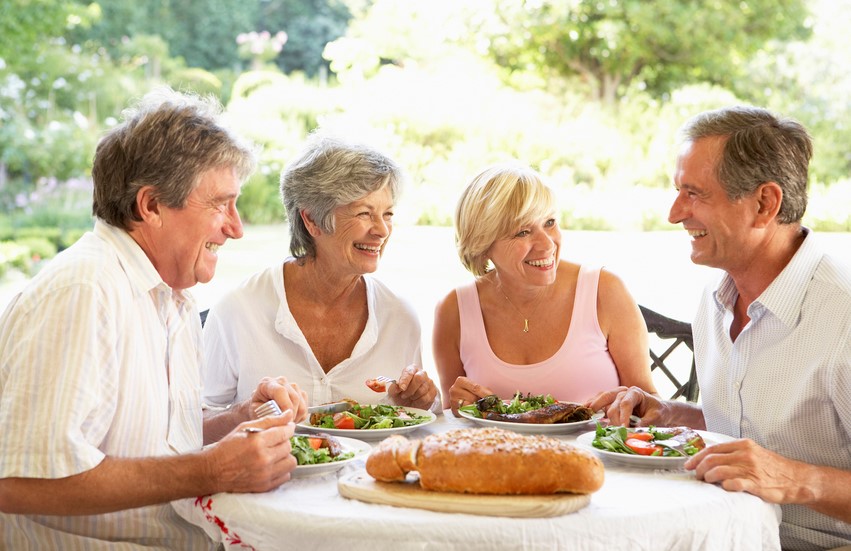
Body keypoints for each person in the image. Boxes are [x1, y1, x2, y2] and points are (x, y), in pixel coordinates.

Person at [0, 88, 309, 550]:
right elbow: (18, 480)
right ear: (151, 206)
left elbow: (145, 436)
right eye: (221, 204)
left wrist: (238, 418)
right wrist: (208, 469)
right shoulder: (84, 291)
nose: (237, 226)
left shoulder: (170, 293)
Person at [589, 106, 851, 550]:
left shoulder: (842, 315)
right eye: (678, 191)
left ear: (764, 204)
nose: (675, 213)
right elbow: (755, 430)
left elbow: (776, 463)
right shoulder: (714, 298)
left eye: (694, 193)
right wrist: (672, 413)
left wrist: (796, 480)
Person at [201, 133, 440, 413]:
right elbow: (196, 423)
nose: (382, 230)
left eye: (387, 214)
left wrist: (421, 401)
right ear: (312, 219)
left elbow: (417, 422)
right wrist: (244, 416)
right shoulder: (239, 310)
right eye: (364, 213)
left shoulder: (399, 318)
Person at [433, 163, 657, 415]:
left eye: (550, 222)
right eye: (523, 232)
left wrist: (631, 404)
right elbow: (452, 420)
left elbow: (651, 406)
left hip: (595, 453)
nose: (547, 244)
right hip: (499, 453)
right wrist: (460, 407)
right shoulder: (454, 311)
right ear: (482, 243)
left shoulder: (604, 291)